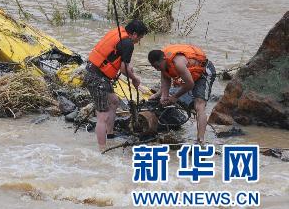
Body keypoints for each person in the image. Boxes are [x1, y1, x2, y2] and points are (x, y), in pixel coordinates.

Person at [84, 19, 148, 152]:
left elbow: (124, 62)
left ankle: (110, 134)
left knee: (114, 101)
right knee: (102, 115)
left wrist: (131, 71)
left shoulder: (119, 33)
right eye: (140, 37)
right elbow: (124, 69)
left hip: (96, 73)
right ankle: (102, 149)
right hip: (96, 77)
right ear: (134, 34)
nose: (139, 41)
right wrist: (135, 79)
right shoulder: (128, 43)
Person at [147, 44, 216, 145]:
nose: (157, 69)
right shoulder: (163, 64)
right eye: (154, 67)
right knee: (164, 95)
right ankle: (159, 93)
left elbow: (190, 84)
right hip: (189, 74)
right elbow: (165, 78)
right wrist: (164, 96)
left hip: (203, 72)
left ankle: (200, 140)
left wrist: (175, 97)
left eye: (157, 66)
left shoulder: (178, 63)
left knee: (199, 105)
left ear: (163, 59)